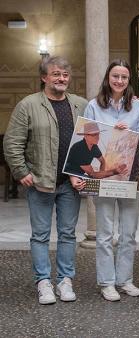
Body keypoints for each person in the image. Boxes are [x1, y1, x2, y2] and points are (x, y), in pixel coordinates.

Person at [3, 56, 87, 304]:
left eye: (65, 75)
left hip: (70, 184)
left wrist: (129, 101)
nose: (62, 79)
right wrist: (21, 171)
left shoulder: (80, 105)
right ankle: (43, 282)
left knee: (68, 234)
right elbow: (12, 142)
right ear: (44, 77)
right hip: (40, 183)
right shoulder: (28, 105)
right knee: (40, 235)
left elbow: (100, 126)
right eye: (56, 74)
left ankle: (65, 281)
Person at [84, 59, 139, 301]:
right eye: (115, 76)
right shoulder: (93, 105)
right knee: (104, 232)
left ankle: (125, 280)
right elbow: (87, 139)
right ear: (108, 78)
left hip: (129, 175)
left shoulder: (137, 106)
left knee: (129, 232)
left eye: (123, 77)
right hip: (103, 175)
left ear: (128, 80)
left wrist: (129, 132)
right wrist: (111, 131)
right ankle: (107, 282)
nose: (119, 80)